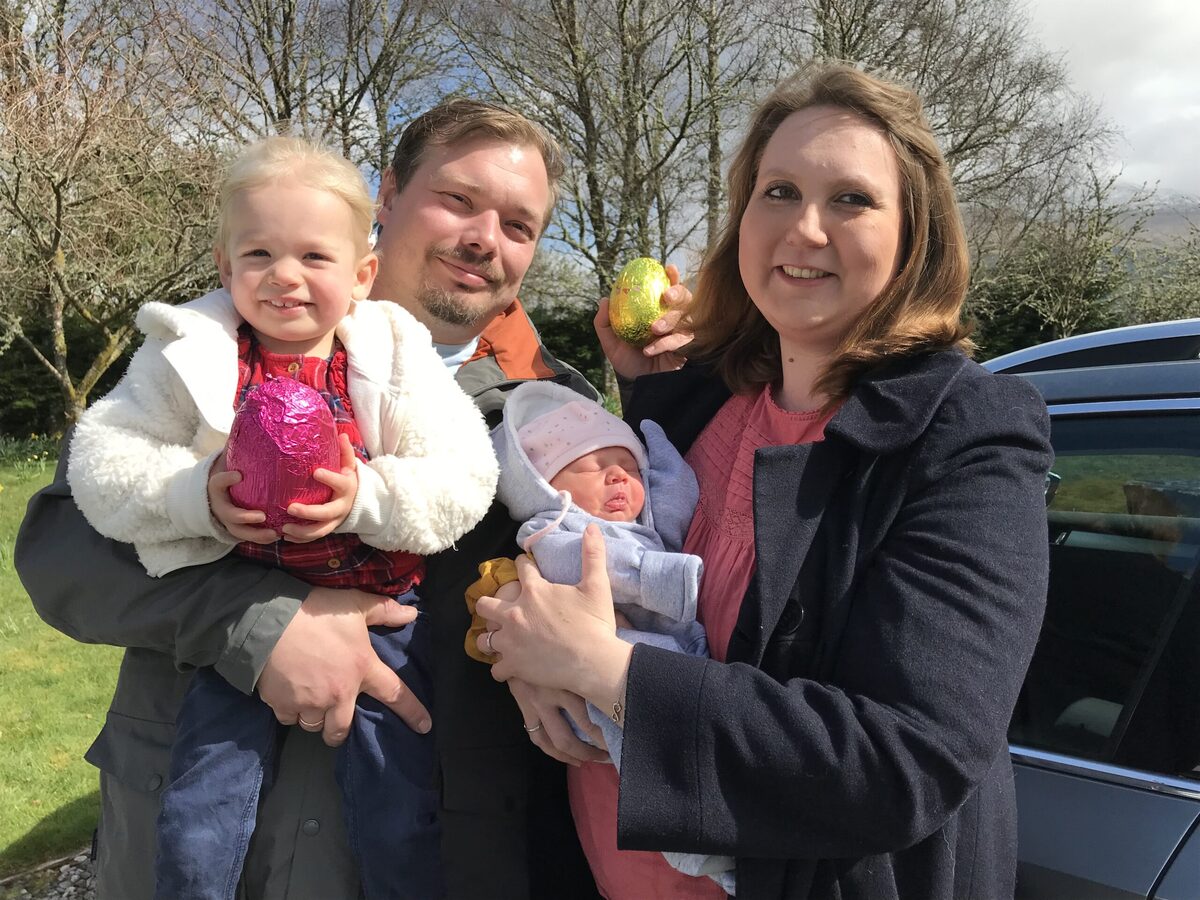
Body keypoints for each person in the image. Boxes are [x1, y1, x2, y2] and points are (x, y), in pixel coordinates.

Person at [15, 98, 690, 899]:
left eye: (519, 225)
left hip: (431, 860)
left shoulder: (553, 415)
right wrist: (258, 624)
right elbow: (60, 546)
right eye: (460, 200)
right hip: (201, 847)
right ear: (390, 195)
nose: (485, 239)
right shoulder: (211, 352)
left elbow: (652, 580)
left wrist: (670, 395)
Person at [473, 64, 1054, 899]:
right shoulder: (702, 397)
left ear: (914, 234)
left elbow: (903, 763)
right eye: (777, 191)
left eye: (850, 199)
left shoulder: (966, 433)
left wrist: (603, 671)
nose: (805, 229)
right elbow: (602, 555)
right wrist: (534, 662)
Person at [64, 135, 499, 899]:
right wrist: (192, 496)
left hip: (380, 618)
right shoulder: (188, 357)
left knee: (399, 802)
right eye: (258, 254)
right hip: (237, 620)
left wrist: (367, 497)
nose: (285, 277)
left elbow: (466, 478)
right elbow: (102, 461)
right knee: (203, 798)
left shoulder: (399, 361)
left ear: (363, 274)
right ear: (225, 267)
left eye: (315, 257)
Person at [463, 380, 733, 890]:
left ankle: (709, 820)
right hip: (598, 679)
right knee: (641, 728)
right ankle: (687, 838)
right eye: (591, 466)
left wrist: (661, 458)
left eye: (630, 467)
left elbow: (678, 498)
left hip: (672, 654)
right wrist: (670, 580)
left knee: (677, 711)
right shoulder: (555, 533)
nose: (618, 476)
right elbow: (617, 569)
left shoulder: (643, 521)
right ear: (545, 488)